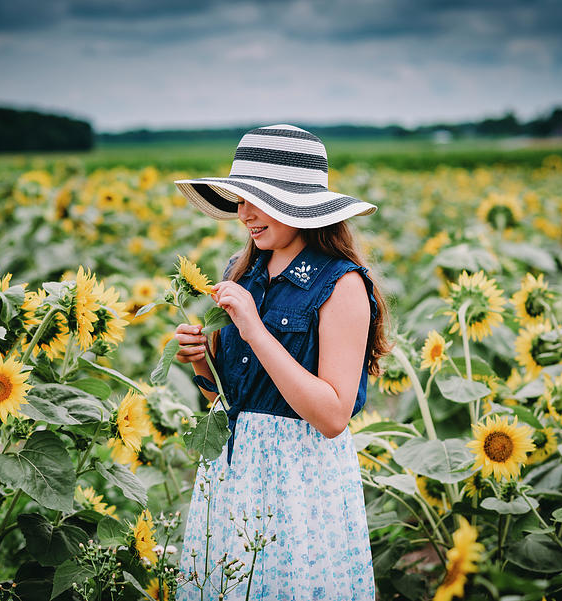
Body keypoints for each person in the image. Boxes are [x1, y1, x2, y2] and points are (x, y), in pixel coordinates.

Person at [170, 124, 391, 600]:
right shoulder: (241, 271)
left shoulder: (342, 284)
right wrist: (202, 365)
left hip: (301, 481)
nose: (243, 213)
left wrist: (253, 328)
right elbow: (229, 402)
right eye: (239, 199)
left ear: (299, 204)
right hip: (232, 473)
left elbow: (332, 416)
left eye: (256, 199)